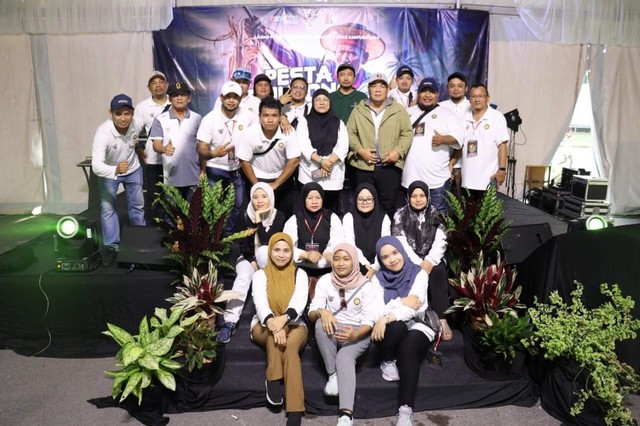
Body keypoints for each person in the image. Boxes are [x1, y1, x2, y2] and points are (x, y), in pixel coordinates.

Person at [307, 243, 377, 426]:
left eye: (346, 259)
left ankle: (346, 414)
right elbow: (312, 312)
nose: (340, 263)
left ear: (354, 261)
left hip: (357, 332)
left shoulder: (366, 285)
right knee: (320, 323)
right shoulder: (325, 281)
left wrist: (356, 334)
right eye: (336, 259)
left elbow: (369, 321)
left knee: (344, 358)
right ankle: (333, 376)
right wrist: (322, 311)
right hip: (333, 327)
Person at [369, 236, 433, 426]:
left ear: (402, 251)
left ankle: (405, 409)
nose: (392, 259)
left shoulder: (419, 274)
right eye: (385, 257)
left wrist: (386, 316)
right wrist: (401, 301)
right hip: (393, 328)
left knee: (408, 347)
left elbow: (415, 308)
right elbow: (374, 312)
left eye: (395, 253)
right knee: (397, 327)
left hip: (419, 323)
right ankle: (388, 358)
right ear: (380, 260)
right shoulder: (377, 280)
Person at [251, 232, 308, 426]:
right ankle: (274, 378)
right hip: (263, 325)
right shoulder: (260, 275)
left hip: (295, 324)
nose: (281, 254)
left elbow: (299, 302)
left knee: (290, 348)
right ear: (270, 252)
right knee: (272, 336)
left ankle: (295, 410)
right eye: (276, 250)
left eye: (286, 250)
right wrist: (275, 326)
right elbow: (260, 304)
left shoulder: (300, 274)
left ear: (292, 253)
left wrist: (282, 321)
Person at [217, 182, 286, 344]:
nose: (259, 201)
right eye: (255, 197)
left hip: (272, 260)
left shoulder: (279, 216)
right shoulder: (245, 215)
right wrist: (251, 261)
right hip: (249, 257)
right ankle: (229, 322)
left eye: (264, 196)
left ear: (271, 198)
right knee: (242, 277)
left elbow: (269, 241)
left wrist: (259, 221)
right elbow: (243, 245)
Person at [346, 72, 413, 216]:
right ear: (368, 89)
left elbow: (407, 133)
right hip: (363, 167)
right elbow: (350, 133)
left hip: (389, 167)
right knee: (363, 205)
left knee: (387, 206)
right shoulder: (358, 110)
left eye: (382, 86)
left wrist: (397, 152)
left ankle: (386, 231)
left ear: (388, 89)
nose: (378, 89)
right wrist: (360, 151)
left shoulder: (398, 110)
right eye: (374, 86)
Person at [391, 181, 452, 341]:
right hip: (408, 259)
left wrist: (430, 260)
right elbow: (400, 242)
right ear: (408, 197)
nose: (418, 199)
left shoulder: (437, 214)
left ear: (428, 197)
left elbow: (442, 240)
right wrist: (418, 263)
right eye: (414, 196)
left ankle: (442, 318)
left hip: (432, 258)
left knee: (438, 271)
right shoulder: (400, 214)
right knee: (413, 274)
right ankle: (422, 317)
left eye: (422, 196)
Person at [91, 94, 146, 267]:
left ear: (132, 113)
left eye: (127, 113)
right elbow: (96, 166)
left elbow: (134, 140)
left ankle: (140, 243)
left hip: (133, 169)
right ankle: (112, 247)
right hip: (109, 172)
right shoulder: (103, 133)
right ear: (111, 113)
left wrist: (139, 149)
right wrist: (115, 169)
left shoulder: (137, 123)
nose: (123, 118)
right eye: (118, 113)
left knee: (137, 206)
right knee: (108, 209)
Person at [252, 22, 385, 90]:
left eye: (352, 53)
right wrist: (267, 39)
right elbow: (292, 59)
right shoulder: (325, 68)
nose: (345, 58)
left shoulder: (369, 83)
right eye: (341, 52)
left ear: (364, 58)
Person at [197, 81, 255, 232]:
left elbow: (264, 121)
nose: (231, 100)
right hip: (215, 169)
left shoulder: (248, 116)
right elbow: (201, 149)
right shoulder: (209, 119)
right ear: (221, 98)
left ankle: (227, 234)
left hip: (236, 169)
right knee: (212, 206)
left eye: (235, 97)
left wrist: (282, 118)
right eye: (228, 96)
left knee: (237, 204)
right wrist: (213, 153)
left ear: (240, 99)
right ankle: (212, 236)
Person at [401, 77, 464, 214]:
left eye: (431, 92)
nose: (427, 95)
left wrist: (443, 139)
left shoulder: (448, 115)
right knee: (410, 217)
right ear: (418, 94)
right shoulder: (407, 112)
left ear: (438, 94)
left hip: (437, 179)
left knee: (438, 216)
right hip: (409, 177)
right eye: (424, 91)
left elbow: (459, 140)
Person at [237, 97, 301, 218]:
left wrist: (276, 184)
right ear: (259, 116)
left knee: (284, 216)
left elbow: (294, 160)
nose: (270, 120)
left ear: (280, 117)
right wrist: (257, 186)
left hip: (282, 178)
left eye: (274, 116)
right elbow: (244, 161)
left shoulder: (288, 131)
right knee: (256, 218)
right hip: (256, 177)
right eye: (266, 115)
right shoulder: (250, 133)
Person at [296, 89, 349, 213]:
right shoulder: (304, 121)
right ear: (313, 102)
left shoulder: (338, 122)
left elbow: (343, 146)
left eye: (325, 100)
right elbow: (303, 146)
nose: (322, 103)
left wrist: (328, 163)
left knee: (331, 212)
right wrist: (321, 161)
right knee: (308, 211)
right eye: (318, 100)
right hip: (309, 174)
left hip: (332, 175)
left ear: (330, 103)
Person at [150, 82, 202, 201]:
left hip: (194, 176)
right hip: (171, 178)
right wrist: (164, 148)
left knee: (193, 212)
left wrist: (203, 171)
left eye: (182, 94)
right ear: (170, 99)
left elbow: (202, 147)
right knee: (172, 212)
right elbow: (156, 145)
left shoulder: (197, 118)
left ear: (189, 98)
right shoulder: (160, 119)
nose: (179, 98)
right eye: (175, 95)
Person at [460, 83, 509, 199]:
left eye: (480, 96)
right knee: (466, 210)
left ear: (487, 98)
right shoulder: (464, 117)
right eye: (473, 96)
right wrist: (452, 163)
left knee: (487, 210)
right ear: (469, 99)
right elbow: (460, 145)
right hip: (467, 179)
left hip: (488, 178)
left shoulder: (497, 117)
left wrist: (502, 170)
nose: (477, 99)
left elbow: (502, 145)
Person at [134, 71, 170, 222]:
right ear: (148, 87)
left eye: (161, 82)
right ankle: (155, 227)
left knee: (174, 195)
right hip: (153, 159)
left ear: (166, 85)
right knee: (155, 195)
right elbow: (133, 133)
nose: (158, 85)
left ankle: (175, 228)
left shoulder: (175, 102)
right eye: (154, 83)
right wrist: (138, 149)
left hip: (174, 159)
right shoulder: (142, 107)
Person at [284, 182, 344, 269]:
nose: (314, 202)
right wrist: (305, 255)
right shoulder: (294, 219)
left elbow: (338, 241)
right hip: (300, 266)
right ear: (304, 199)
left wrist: (330, 252)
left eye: (318, 198)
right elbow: (286, 247)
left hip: (327, 266)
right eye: (310, 198)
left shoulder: (332, 217)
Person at [341, 183, 391, 278]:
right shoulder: (348, 217)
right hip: (356, 262)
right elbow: (350, 245)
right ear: (355, 200)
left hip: (380, 263)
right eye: (360, 199)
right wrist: (365, 264)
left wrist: (375, 267)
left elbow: (384, 246)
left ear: (374, 200)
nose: (364, 202)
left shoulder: (384, 218)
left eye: (369, 199)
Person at [440, 72, 471, 198]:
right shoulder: (440, 107)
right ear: (447, 88)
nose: (456, 89)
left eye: (460, 86)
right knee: (446, 199)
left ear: (466, 88)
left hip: (468, 163)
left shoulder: (472, 106)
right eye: (452, 86)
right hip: (443, 163)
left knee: (467, 202)